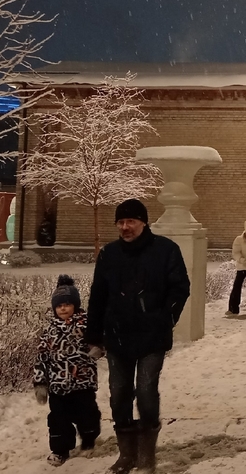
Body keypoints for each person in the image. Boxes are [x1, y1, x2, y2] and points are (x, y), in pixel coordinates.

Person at [85, 199, 190, 474]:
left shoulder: (165, 250)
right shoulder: (109, 254)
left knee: (145, 392)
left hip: (151, 337)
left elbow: (180, 288)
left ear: (143, 222)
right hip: (117, 336)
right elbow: (98, 296)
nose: (125, 227)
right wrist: (94, 336)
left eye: (130, 221)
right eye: (120, 222)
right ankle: (126, 455)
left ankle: (146, 456)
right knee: (118, 394)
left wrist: (165, 318)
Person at [34, 275, 101, 467]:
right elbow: (42, 357)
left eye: (67, 304)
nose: (63, 308)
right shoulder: (50, 330)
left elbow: (100, 341)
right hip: (57, 386)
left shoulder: (86, 325)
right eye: (59, 306)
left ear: (76, 305)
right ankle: (60, 450)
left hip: (82, 383)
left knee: (87, 415)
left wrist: (98, 348)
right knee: (58, 419)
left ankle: (88, 440)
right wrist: (40, 382)